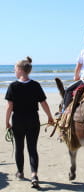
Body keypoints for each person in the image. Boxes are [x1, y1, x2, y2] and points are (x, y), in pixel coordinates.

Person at [5, 56, 54, 188]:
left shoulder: (13, 86)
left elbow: (9, 106)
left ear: (20, 70)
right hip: (33, 120)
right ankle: (34, 175)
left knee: (19, 148)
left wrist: (6, 122)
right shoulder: (35, 85)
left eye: (15, 69)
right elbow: (43, 103)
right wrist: (49, 116)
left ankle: (20, 173)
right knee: (32, 148)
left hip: (18, 120)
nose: (14, 72)